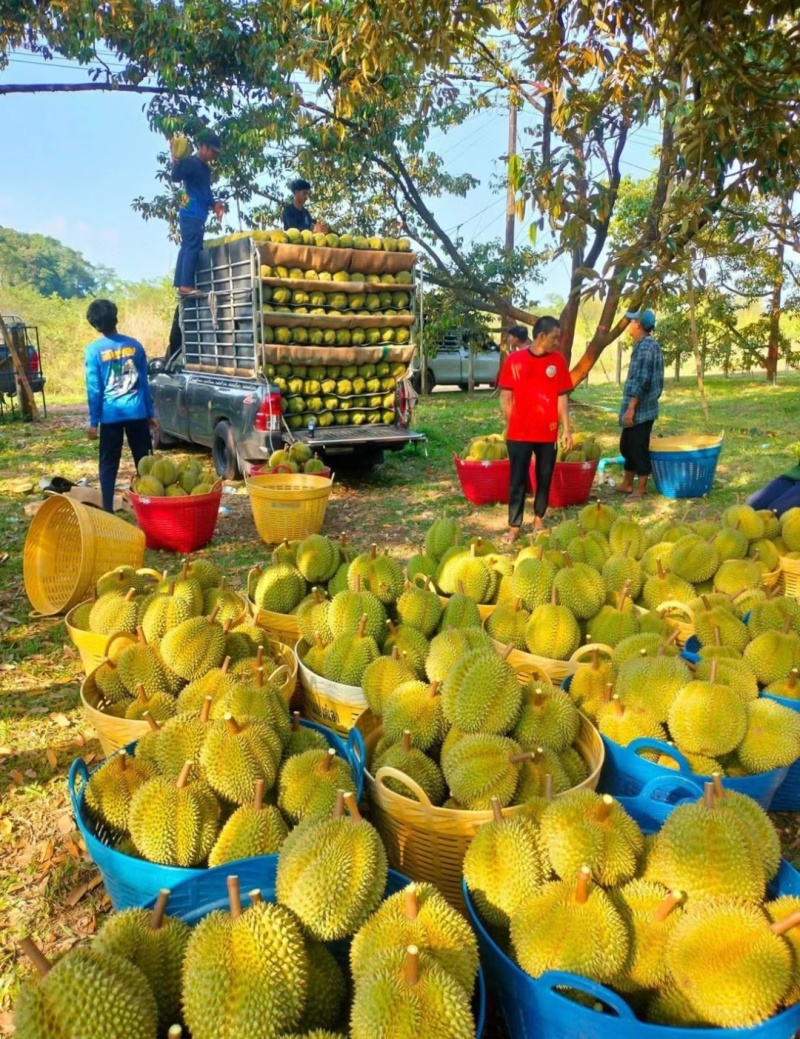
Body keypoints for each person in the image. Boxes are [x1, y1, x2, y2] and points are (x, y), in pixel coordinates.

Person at [497, 318, 573, 544]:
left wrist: (566, 428)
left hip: (547, 433)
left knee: (544, 476)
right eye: (554, 338)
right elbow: (505, 395)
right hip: (518, 434)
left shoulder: (557, 361)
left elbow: (562, 396)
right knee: (517, 480)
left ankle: (539, 518)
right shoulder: (514, 360)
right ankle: (514, 525)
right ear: (541, 336)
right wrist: (513, 421)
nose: (557, 343)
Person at [84, 299, 156, 513]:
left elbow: (94, 388)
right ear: (116, 318)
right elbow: (144, 382)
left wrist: (93, 421)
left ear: (96, 326)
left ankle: (108, 510)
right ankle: (150, 506)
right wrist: (150, 412)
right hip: (137, 413)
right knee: (145, 462)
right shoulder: (135, 345)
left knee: (108, 464)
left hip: (110, 417)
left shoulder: (93, 350)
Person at [617, 307, 664, 501]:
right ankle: (627, 483)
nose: (629, 324)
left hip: (641, 408)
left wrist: (631, 407)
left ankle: (641, 487)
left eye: (631, 321)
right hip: (639, 406)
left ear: (638, 325)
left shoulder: (646, 347)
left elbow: (643, 379)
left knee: (638, 447)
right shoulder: (644, 344)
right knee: (627, 446)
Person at [171, 130, 225, 296]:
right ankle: (186, 285)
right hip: (191, 211)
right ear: (202, 147)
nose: (213, 155)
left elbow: (206, 192)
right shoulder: (191, 162)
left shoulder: (204, 169)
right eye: (212, 151)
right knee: (193, 245)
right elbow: (176, 176)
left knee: (187, 245)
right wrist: (176, 161)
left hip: (196, 212)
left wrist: (215, 204)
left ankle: (181, 283)